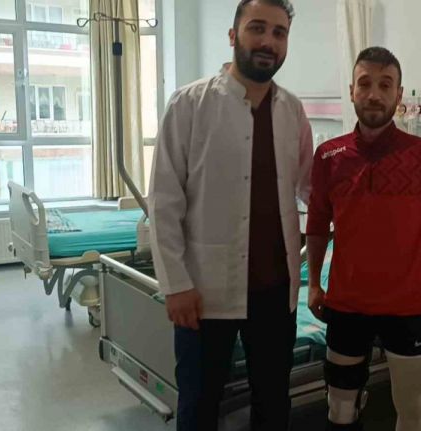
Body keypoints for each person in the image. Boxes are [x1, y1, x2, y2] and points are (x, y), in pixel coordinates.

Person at [148, 1, 313, 429]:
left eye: (279, 33)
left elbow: (311, 187)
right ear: (233, 34)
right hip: (204, 293)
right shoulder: (189, 104)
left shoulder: (292, 111)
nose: (268, 41)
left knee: (273, 404)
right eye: (257, 28)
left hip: (276, 291)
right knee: (199, 405)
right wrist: (176, 285)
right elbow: (164, 201)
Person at [305, 46, 421, 431]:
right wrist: (313, 283)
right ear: (351, 90)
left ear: (399, 94)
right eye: (365, 84)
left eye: (385, 85)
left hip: (407, 306)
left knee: (410, 411)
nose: (374, 94)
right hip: (346, 304)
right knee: (339, 409)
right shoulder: (329, 156)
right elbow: (316, 225)